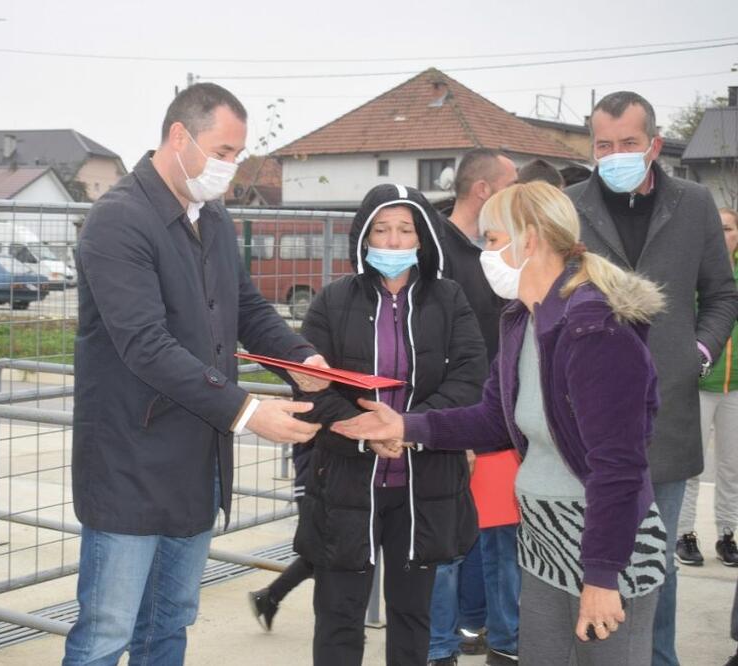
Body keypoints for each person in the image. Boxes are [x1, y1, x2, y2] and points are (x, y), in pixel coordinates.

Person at [334, 181, 669, 666]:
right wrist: (405, 427)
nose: (483, 254)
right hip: (543, 541)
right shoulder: (522, 319)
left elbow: (619, 467)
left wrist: (601, 577)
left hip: (607, 548)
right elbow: (494, 419)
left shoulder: (595, 328)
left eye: (491, 241)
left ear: (528, 240)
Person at [66, 82, 328, 665]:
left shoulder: (210, 215)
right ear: (179, 136)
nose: (230, 168)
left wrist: (299, 358)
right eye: (224, 151)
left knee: (169, 624)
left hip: (195, 461)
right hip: (130, 462)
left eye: (237, 154)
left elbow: (246, 308)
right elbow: (145, 344)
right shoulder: (119, 220)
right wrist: (248, 411)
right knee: (106, 631)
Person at [565, 91, 738, 666]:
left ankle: (657, 658)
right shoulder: (570, 206)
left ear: (654, 145)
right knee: (585, 555)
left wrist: (699, 351)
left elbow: (722, 292)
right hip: (581, 417)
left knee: (653, 558)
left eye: (628, 144)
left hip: (665, 411)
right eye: (604, 145)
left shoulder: (693, 204)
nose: (614, 154)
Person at [293, 183, 486, 666]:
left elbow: (469, 378)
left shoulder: (450, 298)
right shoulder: (333, 300)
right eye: (382, 229)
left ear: (423, 239)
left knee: (412, 614)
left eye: (405, 230)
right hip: (345, 485)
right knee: (338, 614)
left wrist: (406, 427)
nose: (394, 241)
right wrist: (365, 431)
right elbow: (311, 386)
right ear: (363, 236)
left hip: (424, 487)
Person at [431, 148, 521, 666]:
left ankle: (483, 629)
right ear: (486, 191)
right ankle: (448, 640)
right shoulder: (436, 249)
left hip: (499, 421)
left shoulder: (505, 256)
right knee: (453, 542)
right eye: (511, 185)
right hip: (455, 419)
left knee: (494, 538)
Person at [677, 207, 738, 567]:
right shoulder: (693, 270)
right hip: (697, 384)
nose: (722, 234)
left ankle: (727, 534)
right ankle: (685, 533)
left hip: (735, 389)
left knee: (731, 468)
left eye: (729, 228)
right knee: (690, 466)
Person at [248, 441, 314, 630]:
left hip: (318, 482)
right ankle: (270, 596)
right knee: (319, 553)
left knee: (319, 554)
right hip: (316, 484)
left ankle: (270, 597)